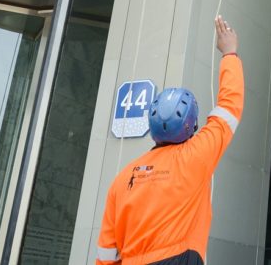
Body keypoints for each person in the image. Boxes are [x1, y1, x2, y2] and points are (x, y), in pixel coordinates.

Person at [96, 16, 244, 265]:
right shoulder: (195, 156)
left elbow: (106, 254)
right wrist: (229, 53)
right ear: (192, 125)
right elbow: (229, 108)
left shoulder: (122, 180)